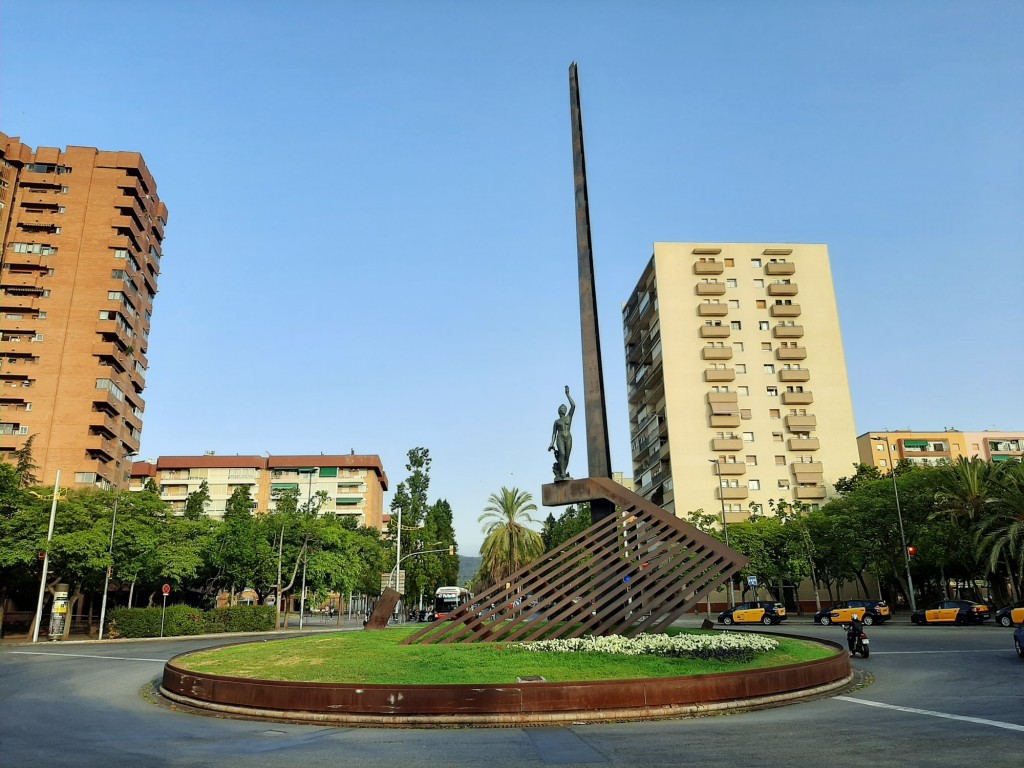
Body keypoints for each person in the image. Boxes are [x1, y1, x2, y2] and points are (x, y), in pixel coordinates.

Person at [548, 385, 576, 481]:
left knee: (567, 455)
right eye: (561, 408)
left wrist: (567, 394)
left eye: (564, 408)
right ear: (559, 411)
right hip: (560, 437)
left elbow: (573, 405)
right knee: (562, 454)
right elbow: (553, 434)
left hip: (568, 436)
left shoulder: (569, 417)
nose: (563, 408)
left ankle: (562, 470)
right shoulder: (557, 421)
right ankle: (562, 472)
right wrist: (551, 443)